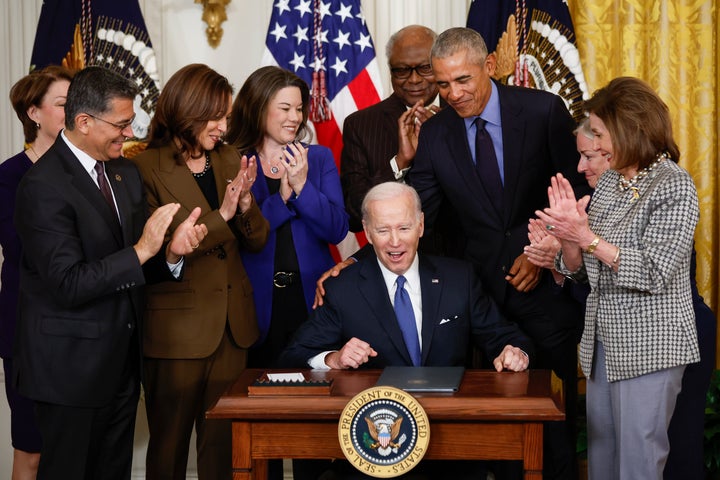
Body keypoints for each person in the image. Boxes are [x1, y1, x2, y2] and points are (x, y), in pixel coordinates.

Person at [406, 27, 589, 479]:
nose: (452, 94)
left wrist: (542, 246)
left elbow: (581, 189)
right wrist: (357, 260)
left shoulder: (543, 110)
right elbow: (416, 213)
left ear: (489, 65)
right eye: (443, 84)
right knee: (495, 431)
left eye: (463, 80)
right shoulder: (435, 134)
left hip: (547, 292)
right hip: (482, 303)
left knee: (555, 425)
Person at [12, 66, 207, 480]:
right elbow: (68, 283)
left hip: (121, 367)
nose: (130, 132)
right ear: (83, 122)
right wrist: (142, 249)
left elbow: (132, 267)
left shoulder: (125, 173)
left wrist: (170, 251)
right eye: (120, 123)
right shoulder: (41, 185)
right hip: (69, 374)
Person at [281, 182, 532, 479]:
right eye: (383, 230)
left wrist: (514, 353)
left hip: (452, 448)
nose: (395, 242)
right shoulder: (343, 289)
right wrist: (334, 359)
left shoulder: (458, 278)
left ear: (421, 226)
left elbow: (505, 336)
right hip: (374, 455)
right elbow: (291, 357)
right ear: (367, 232)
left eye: (404, 228)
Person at [526, 118, 717, 480]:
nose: (581, 167)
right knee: (605, 462)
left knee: (647, 462)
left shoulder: (672, 183)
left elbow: (652, 272)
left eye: (589, 155)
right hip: (605, 345)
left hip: (652, 344)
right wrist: (567, 240)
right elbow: (588, 275)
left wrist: (585, 237)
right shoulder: (611, 184)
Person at [131, 63, 269, 480]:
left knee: (224, 453)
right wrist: (224, 212)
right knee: (169, 451)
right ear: (189, 111)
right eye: (218, 116)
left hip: (233, 329)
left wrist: (245, 206)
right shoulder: (143, 167)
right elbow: (171, 243)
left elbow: (257, 240)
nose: (225, 126)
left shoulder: (229, 158)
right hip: (176, 333)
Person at [225, 65, 348, 371]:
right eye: (284, 108)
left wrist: (303, 186)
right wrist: (281, 198)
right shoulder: (233, 159)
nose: (295, 117)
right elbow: (239, 233)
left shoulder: (318, 158)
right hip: (253, 300)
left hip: (311, 297)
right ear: (259, 107)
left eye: (298, 108)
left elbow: (337, 229)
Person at [1, 65, 73, 480]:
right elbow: (23, 248)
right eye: (63, 104)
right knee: (31, 450)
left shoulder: (89, 173)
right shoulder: (8, 177)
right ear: (34, 114)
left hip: (79, 333)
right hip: (26, 332)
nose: (75, 112)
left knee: (75, 448)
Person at [340, 25, 439, 232]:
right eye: (402, 70)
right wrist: (399, 163)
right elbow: (354, 216)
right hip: (392, 257)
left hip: (460, 258)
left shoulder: (462, 114)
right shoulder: (360, 125)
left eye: (425, 67)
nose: (414, 79)